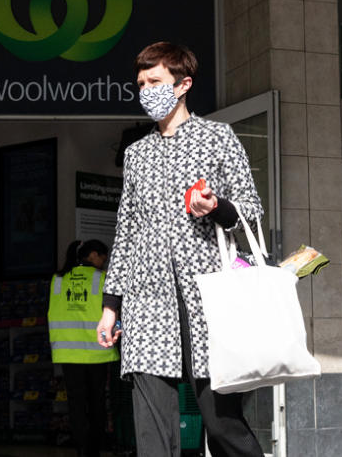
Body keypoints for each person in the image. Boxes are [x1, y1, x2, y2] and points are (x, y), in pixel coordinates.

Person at [96, 41, 265, 457]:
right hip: (147, 304)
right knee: (152, 433)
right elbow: (127, 232)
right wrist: (110, 306)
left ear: (182, 84)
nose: (145, 89)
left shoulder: (217, 138)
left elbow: (252, 213)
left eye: (154, 81)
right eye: (140, 83)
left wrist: (216, 207)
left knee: (222, 424)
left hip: (208, 300)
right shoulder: (136, 154)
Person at [48, 239, 118, 457]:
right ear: (93, 255)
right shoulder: (102, 279)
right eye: (103, 258)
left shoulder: (58, 279)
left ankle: (82, 449)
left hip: (68, 352)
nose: (104, 263)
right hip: (97, 352)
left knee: (76, 404)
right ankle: (94, 449)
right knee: (96, 401)